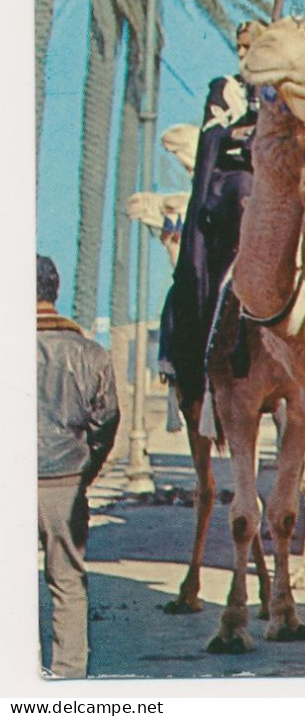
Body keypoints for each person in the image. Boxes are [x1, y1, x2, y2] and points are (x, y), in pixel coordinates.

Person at [159, 21, 262, 408]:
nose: (243, 55)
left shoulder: (280, 92)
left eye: (251, 46)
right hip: (231, 191)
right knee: (242, 193)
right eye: (239, 47)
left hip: (277, 182)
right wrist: (246, 134)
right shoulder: (227, 90)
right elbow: (215, 142)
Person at [37, 254, 120, 678]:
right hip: (66, 484)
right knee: (67, 582)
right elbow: (107, 420)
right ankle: (69, 675)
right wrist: (87, 468)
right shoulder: (90, 353)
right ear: (55, 291)